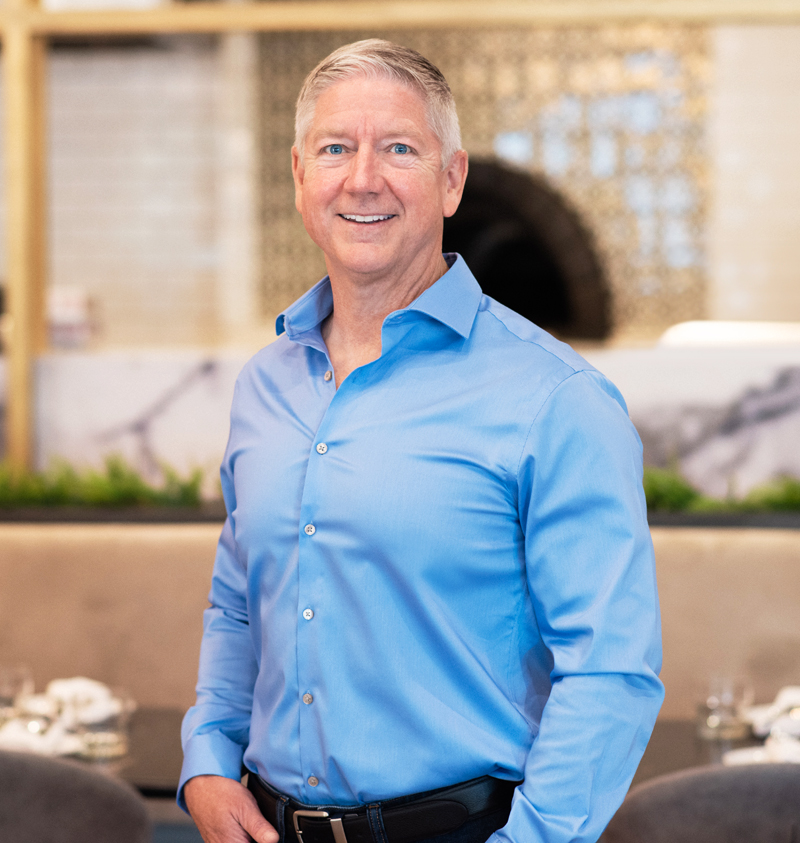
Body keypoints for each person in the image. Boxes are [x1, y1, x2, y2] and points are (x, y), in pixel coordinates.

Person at [180, 38, 664, 843]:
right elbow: (238, 606)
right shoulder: (265, 385)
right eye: (336, 148)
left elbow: (610, 669)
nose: (363, 177)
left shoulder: (557, 398)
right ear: (301, 177)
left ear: (452, 179)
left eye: (399, 147)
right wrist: (205, 757)